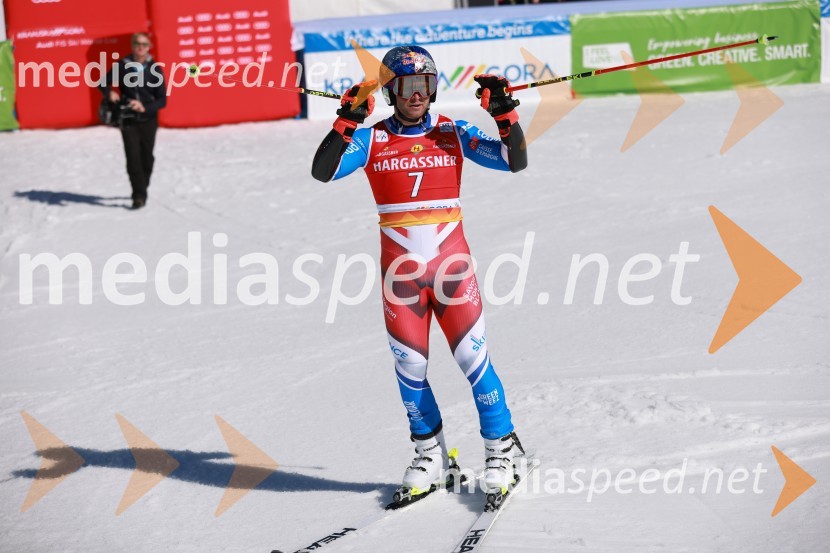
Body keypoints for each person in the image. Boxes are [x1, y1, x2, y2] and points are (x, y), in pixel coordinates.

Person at [311, 45, 529, 508]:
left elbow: (514, 160)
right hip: (400, 280)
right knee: (410, 370)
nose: (417, 95)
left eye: (426, 85)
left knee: (474, 361)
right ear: (391, 90)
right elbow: (322, 171)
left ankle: (502, 450)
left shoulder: (453, 131)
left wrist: (505, 116)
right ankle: (431, 456)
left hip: (453, 271)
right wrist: (346, 120)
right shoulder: (370, 141)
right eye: (408, 86)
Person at [99, 32, 167, 210]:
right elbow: (102, 82)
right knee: (132, 158)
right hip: (127, 118)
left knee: (147, 158)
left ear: (149, 46)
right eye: (137, 43)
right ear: (132, 45)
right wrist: (110, 92)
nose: (141, 47)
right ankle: (138, 195)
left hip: (148, 119)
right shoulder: (122, 66)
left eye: (144, 44)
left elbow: (162, 100)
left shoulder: (155, 69)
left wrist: (145, 106)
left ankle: (142, 185)